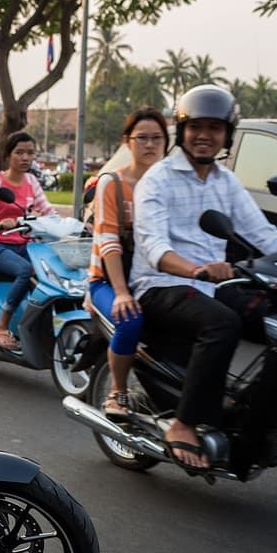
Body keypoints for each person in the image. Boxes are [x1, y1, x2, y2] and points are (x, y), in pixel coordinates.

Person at [132, 84, 277, 469]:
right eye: (196, 127)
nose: (204, 136)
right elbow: (154, 247)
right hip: (162, 286)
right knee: (222, 323)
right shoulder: (158, 179)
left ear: (227, 134)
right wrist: (196, 269)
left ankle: (255, 414)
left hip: (213, 285)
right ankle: (184, 423)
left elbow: (263, 234)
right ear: (182, 130)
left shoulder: (226, 182)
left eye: (215, 128)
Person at [87, 108, 168, 420]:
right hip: (108, 280)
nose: (149, 145)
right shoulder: (114, 184)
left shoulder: (168, 183)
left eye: (156, 138)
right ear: (127, 141)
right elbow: (108, 241)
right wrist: (120, 292)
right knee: (130, 319)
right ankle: (117, 391)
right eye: (142, 138)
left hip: (155, 280)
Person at [0, 131, 58, 350]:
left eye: (30, 153)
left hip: (27, 244)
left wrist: (71, 224)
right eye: (19, 152)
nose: (25, 158)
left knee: (56, 270)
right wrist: (0, 224)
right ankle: (2, 326)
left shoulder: (32, 181)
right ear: (8, 155)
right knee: (24, 270)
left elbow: (48, 210)